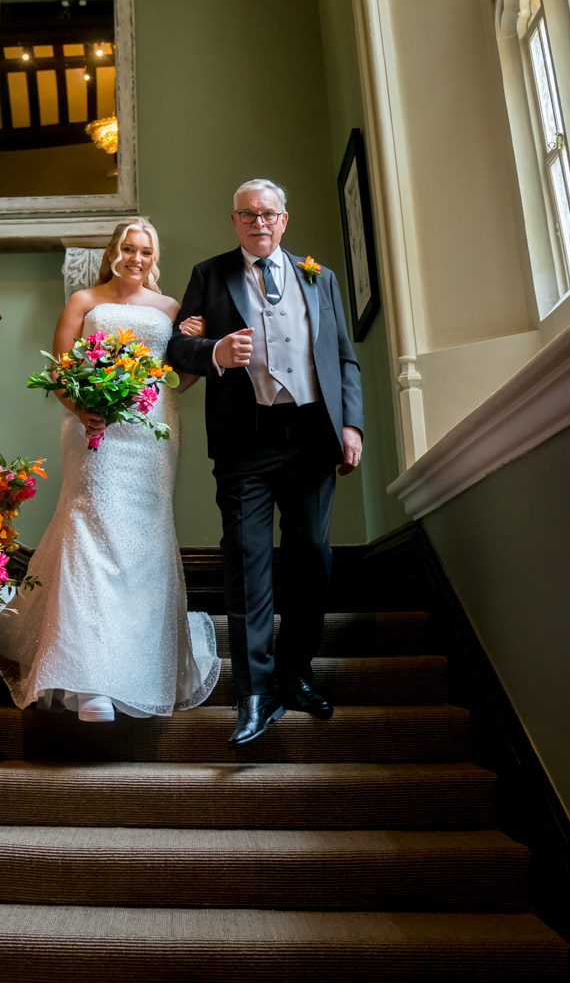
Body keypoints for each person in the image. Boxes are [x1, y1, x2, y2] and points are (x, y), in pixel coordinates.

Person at [0, 217, 220, 722]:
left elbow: (180, 381)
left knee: (143, 535)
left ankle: (132, 667)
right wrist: (80, 406)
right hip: (94, 429)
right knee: (89, 528)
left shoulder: (172, 310)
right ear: (114, 251)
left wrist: (198, 343)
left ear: (155, 258)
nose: (138, 258)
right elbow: (59, 370)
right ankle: (84, 678)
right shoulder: (84, 302)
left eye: (147, 251)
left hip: (152, 434)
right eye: (130, 248)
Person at [166, 179, 363, 746]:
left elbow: (343, 358)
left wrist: (350, 424)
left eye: (268, 213)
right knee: (247, 562)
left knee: (312, 557)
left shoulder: (318, 276)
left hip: (311, 435)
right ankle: (254, 695)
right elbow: (176, 348)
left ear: (284, 220)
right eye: (248, 214)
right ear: (234, 221)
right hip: (244, 440)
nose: (259, 222)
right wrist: (215, 353)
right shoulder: (210, 274)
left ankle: (296, 674)